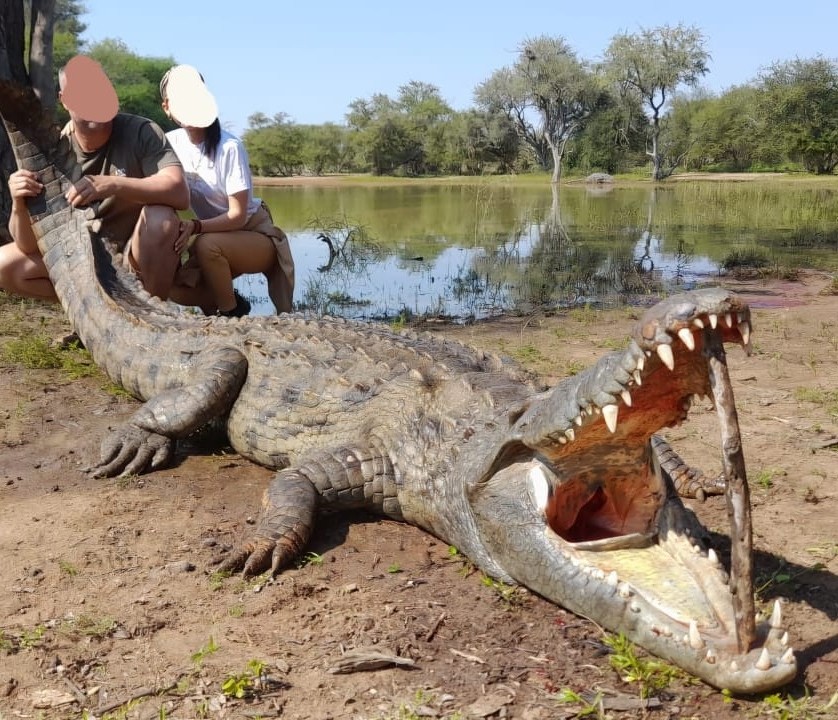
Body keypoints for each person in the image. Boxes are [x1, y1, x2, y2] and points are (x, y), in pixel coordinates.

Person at [0, 54, 190, 302]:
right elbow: (28, 246)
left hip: (135, 259)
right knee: (4, 264)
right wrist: (19, 203)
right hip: (83, 261)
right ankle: (91, 312)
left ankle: (153, 314)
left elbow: (179, 192)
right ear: (64, 100)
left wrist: (113, 184)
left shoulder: (142, 131)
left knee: (161, 219)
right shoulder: (54, 152)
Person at [159, 64, 295, 316]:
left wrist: (195, 226)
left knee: (206, 245)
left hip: (254, 233)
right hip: (217, 234)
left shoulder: (229, 146)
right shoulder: (169, 143)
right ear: (167, 107)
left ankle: (229, 313)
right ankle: (225, 303)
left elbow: (238, 215)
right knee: (175, 287)